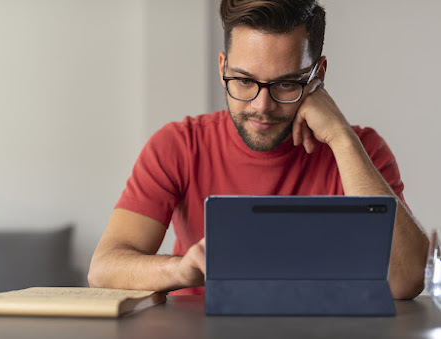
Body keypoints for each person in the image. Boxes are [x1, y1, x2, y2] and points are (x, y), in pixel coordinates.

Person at [88, 0, 428, 299]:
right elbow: (104, 269)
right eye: (245, 81)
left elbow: (405, 281)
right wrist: (181, 270)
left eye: (286, 83)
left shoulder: (360, 149)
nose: (262, 106)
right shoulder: (179, 145)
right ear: (223, 68)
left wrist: (340, 136)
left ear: (318, 76)